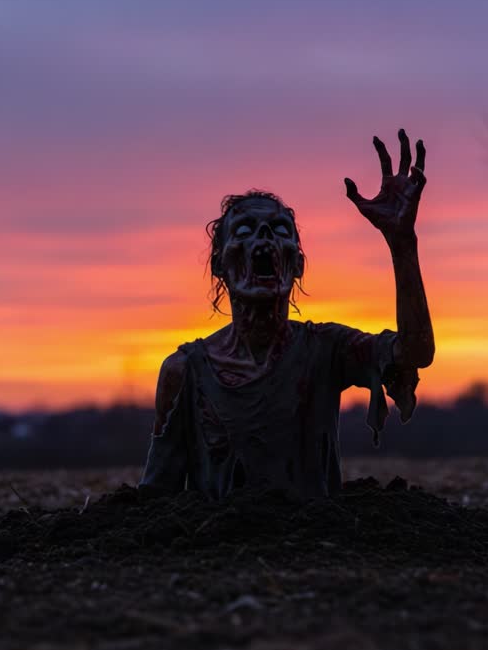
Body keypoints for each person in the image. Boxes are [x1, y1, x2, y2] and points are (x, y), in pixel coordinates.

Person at [140, 130, 434, 500]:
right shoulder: (185, 372)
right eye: (244, 230)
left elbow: (415, 352)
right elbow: (156, 498)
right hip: (217, 538)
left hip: (318, 536)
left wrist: (402, 243)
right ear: (219, 264)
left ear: (297, 265)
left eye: (280, 230)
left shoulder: (326, 349)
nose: (264, 235)